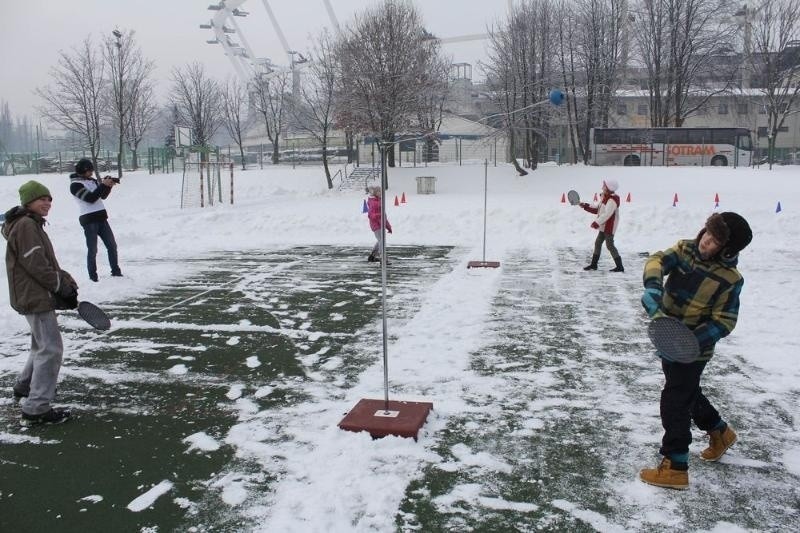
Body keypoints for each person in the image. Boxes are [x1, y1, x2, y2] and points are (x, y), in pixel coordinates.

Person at [638, 212, 752, 489]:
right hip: (666, 339)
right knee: (687, 391)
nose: (706, 242)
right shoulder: (685, 249)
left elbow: (724, 321)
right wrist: (654, 288)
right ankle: (719, 431)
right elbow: (657, 260)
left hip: (693, 351)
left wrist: (689, 339)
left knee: (675, 400)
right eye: (707, 234)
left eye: (715, 242)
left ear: (726, 251)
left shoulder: (729, 279)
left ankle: (675, 465)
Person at [2, 180, 78, 424]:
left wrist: (63, 278)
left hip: (32, 294)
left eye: (49, 199)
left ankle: (25, 387)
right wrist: (60, 287)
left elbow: (44, 262)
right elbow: (36, 264)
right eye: (41, 199)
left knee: (40, 344)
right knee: (51, 349)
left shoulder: (29, 223)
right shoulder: (26, 225)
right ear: (28, 203)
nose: (47, 203)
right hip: (35, 296)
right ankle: (37, 407)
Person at [70, 157, 121, 282]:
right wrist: (102, 185)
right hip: (89, 220)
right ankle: (93, 277)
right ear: (83, 170)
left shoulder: (92, 181)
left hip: (102, 218)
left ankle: (116, 272)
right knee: (93, 249)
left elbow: (101, 196)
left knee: (112, 245)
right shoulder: (75, 185)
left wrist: (108, 186)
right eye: (89, 171)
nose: (91, 173)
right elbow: (91, 198)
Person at [579, 179, 624, 272]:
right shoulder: (605, 197)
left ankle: (620, 266)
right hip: (604, 225)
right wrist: (585, 206)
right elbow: (597, 209)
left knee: (610, 245)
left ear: (608, 188)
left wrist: (597, 223)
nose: (602, 187)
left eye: (604, 186)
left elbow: (607, 214)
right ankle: (594, 265)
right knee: (598, 243)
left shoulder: (612, 200)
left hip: (609, 226)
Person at [366, 184, 392, 262]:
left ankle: (372, 256)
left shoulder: (379, 200)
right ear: (375, 193)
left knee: (380, 240)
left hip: (381, 224)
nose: (381, 192)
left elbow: (384, 215)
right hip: (376, 225)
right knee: (382, 240)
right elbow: (371, 215)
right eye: (379, 191)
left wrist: (388, 226)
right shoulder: (373, 202)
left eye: (381, 191)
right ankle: (382, 256)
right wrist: (379, 215)